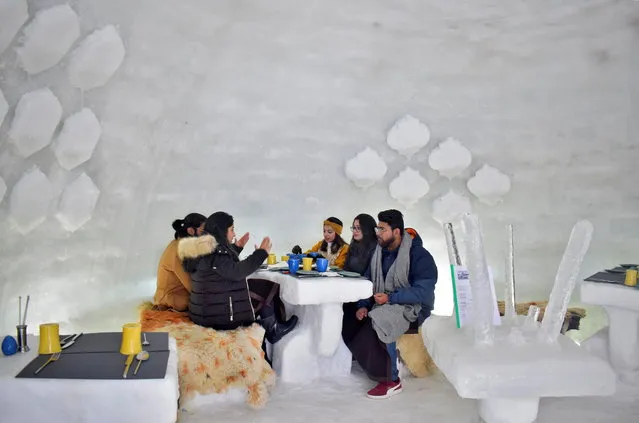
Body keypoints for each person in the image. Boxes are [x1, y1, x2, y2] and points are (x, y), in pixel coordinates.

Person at [342, 209, 438, 399]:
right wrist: (362, 304)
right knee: (349, 320)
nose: (378, 232)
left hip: (413, 306)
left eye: (383, 229)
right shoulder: (380, 252)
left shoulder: (419, 255)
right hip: (385, 302)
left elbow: (424, 290)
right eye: (378, 228)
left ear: (396, 232)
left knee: (378, 323)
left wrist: (391, 298)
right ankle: (370, 362)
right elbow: (370, 280)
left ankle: (391, 380)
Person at [179, 211, 297, 344]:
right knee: (265, 288)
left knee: (257, 287)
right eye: (232, 229)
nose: (234, 234)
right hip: (218, 317)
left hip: (205, 311)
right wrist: (261, 253)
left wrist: (237, 247)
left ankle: (270, 325)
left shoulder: (203, 250)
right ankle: (274, 329)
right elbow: (237, 272)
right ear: (222, 231)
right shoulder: (216, 255)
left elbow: (224, 267)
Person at [153, 213, 206, 311]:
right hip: (170, 298)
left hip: (180, 294)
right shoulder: (179, 249)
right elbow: (191, 283)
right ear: (191, 231)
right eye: (203, 231)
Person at [341, 214, 378, 332]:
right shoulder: (353, 246)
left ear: (367, 229)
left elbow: (371, 277)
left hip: (365, 297)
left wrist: (363, 304)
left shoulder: (375, 249)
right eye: (354, 228)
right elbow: (346, 269)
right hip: (350, 292)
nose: (355, 231)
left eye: (359, 228)